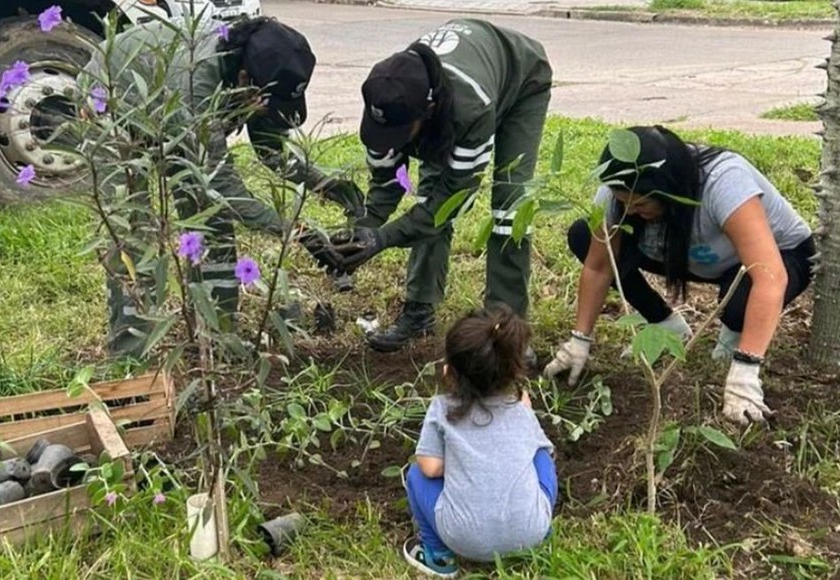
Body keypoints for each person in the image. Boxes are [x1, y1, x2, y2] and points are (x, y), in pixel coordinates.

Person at [82, 16, 361, 357]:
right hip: (112, 102)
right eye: (266, 102)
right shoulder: (197, 86)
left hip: (173, 115)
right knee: (132, 231)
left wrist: (330, 186)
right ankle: (129, 354)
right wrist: (299, 232)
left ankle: (218, 337)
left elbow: (272, 154)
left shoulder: (256, 77)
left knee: (210, 223)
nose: (267, 111)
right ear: (244, 78)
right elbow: (225, 189)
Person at [545, 125, 815, 425]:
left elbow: (769, 275)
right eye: (624, 203)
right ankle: (665, 324)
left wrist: (745, 369)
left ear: (670, 189)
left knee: (739, 304)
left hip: (775, 257)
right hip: (692, 255)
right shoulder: (619, 189)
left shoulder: (724, 180)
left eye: (641, 204)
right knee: (586, 236)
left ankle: (736, 334)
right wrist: (579, 340)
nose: (630, 212)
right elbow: (599, 266)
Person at [330, 19, 553, 354]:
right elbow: (385, 183)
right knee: (426, 197)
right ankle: (419, 312)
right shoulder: (389, 97)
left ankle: (507, 330)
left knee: (510, 209)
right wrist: (360, 234)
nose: (389, 143)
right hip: (456, 88)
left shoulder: (469, 110)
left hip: (521, 81)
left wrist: (384, 239)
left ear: (429, 112)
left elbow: (453, 201)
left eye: (401, 135)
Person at [404, 305, 557, 577]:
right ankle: (540, 529)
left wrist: (462, 463)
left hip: (463, 536)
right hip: (529, 533)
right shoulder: (520, 408)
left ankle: (437, 555)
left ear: (449, 372)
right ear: (513, 372)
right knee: (541, 453)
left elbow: (429, 468)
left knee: (416, 474)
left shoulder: (442, 409)